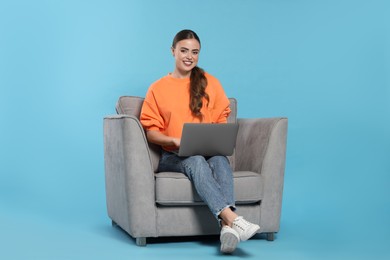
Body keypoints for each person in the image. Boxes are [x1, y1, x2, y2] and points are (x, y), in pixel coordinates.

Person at [140, 29, 260, 254]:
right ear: (172, 51)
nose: (189, 56)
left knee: (220, 160)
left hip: (206, 151)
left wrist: (215, 137)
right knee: (195, 159)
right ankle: (234, 219)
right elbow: (152, 134)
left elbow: (221, 120)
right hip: (173, 156)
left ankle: (227, 230)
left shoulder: (209, 83)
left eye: (195, 52)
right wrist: (176, 140)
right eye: (184, 50)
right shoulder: (158, 88)